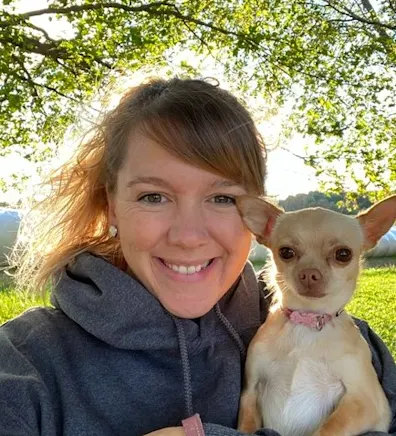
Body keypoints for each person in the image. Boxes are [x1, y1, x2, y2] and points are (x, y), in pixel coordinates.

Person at [0, 77, 394, 436]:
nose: (188, 236)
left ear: (254, 215)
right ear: (112, 206)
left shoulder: (356, 343)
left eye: (223, 199)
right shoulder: (25, 364)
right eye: (153, 196)